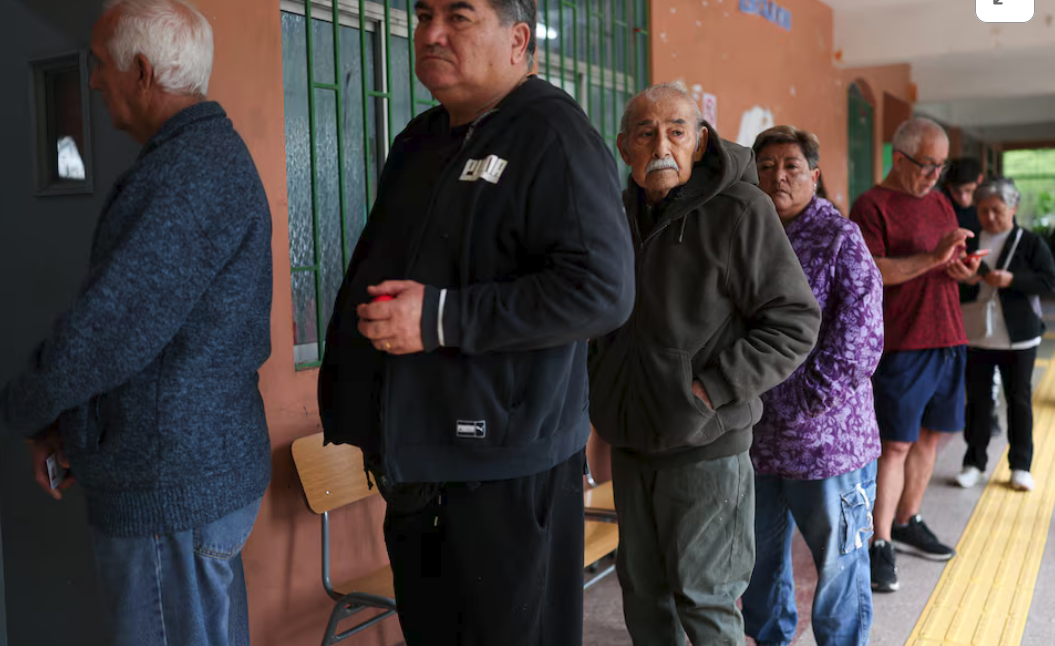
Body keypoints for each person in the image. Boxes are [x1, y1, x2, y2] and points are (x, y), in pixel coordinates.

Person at [315, 0, 635, 642]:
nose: (431, 32)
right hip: (417, 465)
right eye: (425, 13)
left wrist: (440, 318)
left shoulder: (552, 136)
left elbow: (602, 290)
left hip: (504, 474)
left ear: (518, 40)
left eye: (458, 16)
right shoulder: (419, 141)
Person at [0, 1, 273, 644]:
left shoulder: (187, 173)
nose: (93, 80)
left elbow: (105, 333)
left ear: (143, 71)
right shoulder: (203, 159)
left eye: (99, 64)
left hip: (169, 492)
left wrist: (25, 409)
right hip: (193, 478)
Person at [589, 84, 821, 646]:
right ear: (625, 149)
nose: (661, 144)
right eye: (646, 133)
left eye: (676, 130)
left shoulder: (740, 210)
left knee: (706, 598)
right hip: (634, 441)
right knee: (644, 597)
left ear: (700, 141)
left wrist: (711, 388)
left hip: (706, 443)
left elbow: (794, 321)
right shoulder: (614, 216)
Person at [742, 126, 884, 646]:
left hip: (827, 445)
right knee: (758, 565)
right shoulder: (749, 235)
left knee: (840, 568)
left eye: (791, 166)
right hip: (755, 440)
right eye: (766, 166)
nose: (777, 176)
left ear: (815, 176)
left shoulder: (839, 237)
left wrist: (802, 400)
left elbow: (862, 337)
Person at [850, 117, 982, 594]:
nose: (935, 176)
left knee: (932, 439)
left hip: (948, 334)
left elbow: (944, 263)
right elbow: (871, 272)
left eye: (942, 167)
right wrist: (933, 259)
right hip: (902, 342)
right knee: (896, 445)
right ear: (899, 158)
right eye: (928, 165)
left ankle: (907, 519)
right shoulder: (871, 205)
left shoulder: (942, 201)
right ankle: (879, 541)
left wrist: (961, 270)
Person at [948, 178, 1055, 491]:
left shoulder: (1030, 242)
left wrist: (1012, 280)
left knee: (1018, 399)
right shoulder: (969, 240)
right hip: (976, 331)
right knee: (978, 401)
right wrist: (965, 280)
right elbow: (954, 280)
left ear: (1014, 208)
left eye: (997, 210)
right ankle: (973, 462)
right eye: (983, 211)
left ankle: (1021, 465)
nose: (990, 218)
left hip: (1019, 334)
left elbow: (1049, 281)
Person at [943, 157, 985, 233]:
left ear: (980, 180)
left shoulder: (990, 202)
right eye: (956, 191)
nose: (963, 198)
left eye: (968, 190)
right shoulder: (942, 206)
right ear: (949, 187)